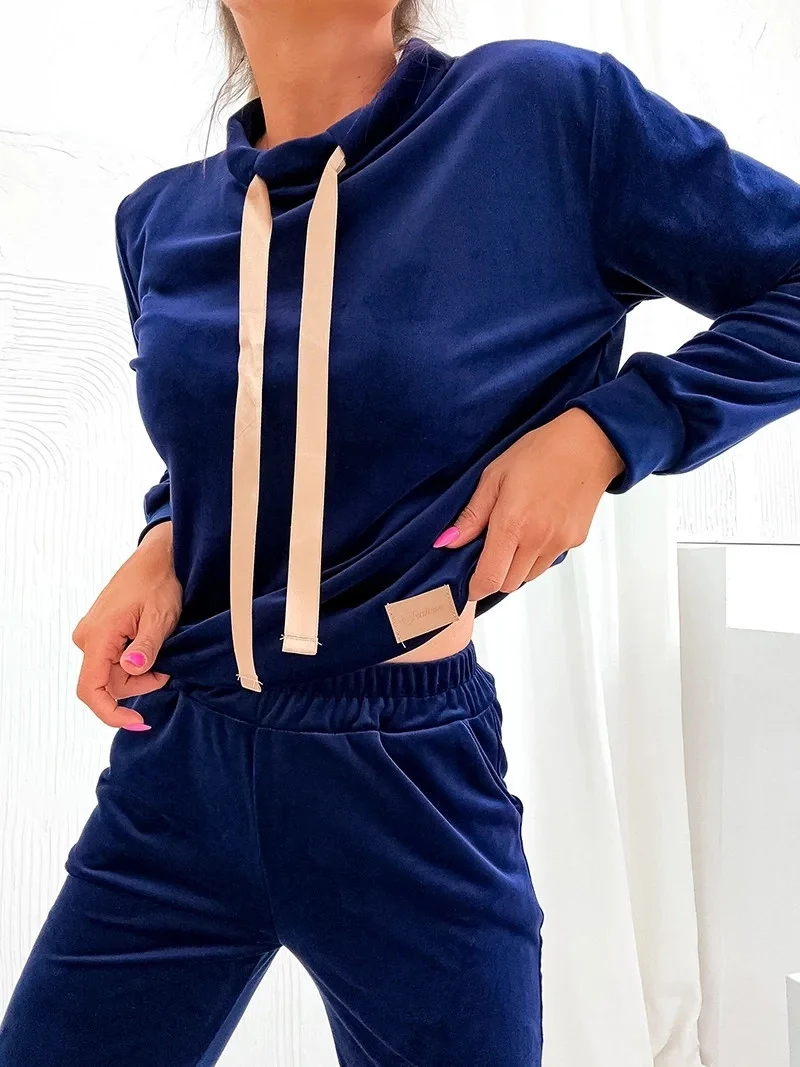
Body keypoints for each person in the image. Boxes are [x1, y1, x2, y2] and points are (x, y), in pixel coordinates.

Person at [4, 1, 800, 1063]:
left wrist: (608, 431)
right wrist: (162, 541)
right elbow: (248, 444)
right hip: (178, 761)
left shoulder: (537, 113)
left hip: (405, 774)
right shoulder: (160, 221)